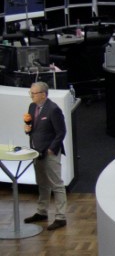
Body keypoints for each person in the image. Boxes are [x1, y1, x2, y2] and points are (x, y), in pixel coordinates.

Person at [23, 82, 67, 231]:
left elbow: (61, 132)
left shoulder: (53, 109)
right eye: (31, 93)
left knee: (56, 184)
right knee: (41, 182)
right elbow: (34, 128)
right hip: (36, 150)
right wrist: (27, 130)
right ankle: (42, 212)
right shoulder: (32, 107)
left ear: (43, 94)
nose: (31, 96)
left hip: (49, 152)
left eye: (33, 93)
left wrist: (51, 149)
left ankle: (61, 217)